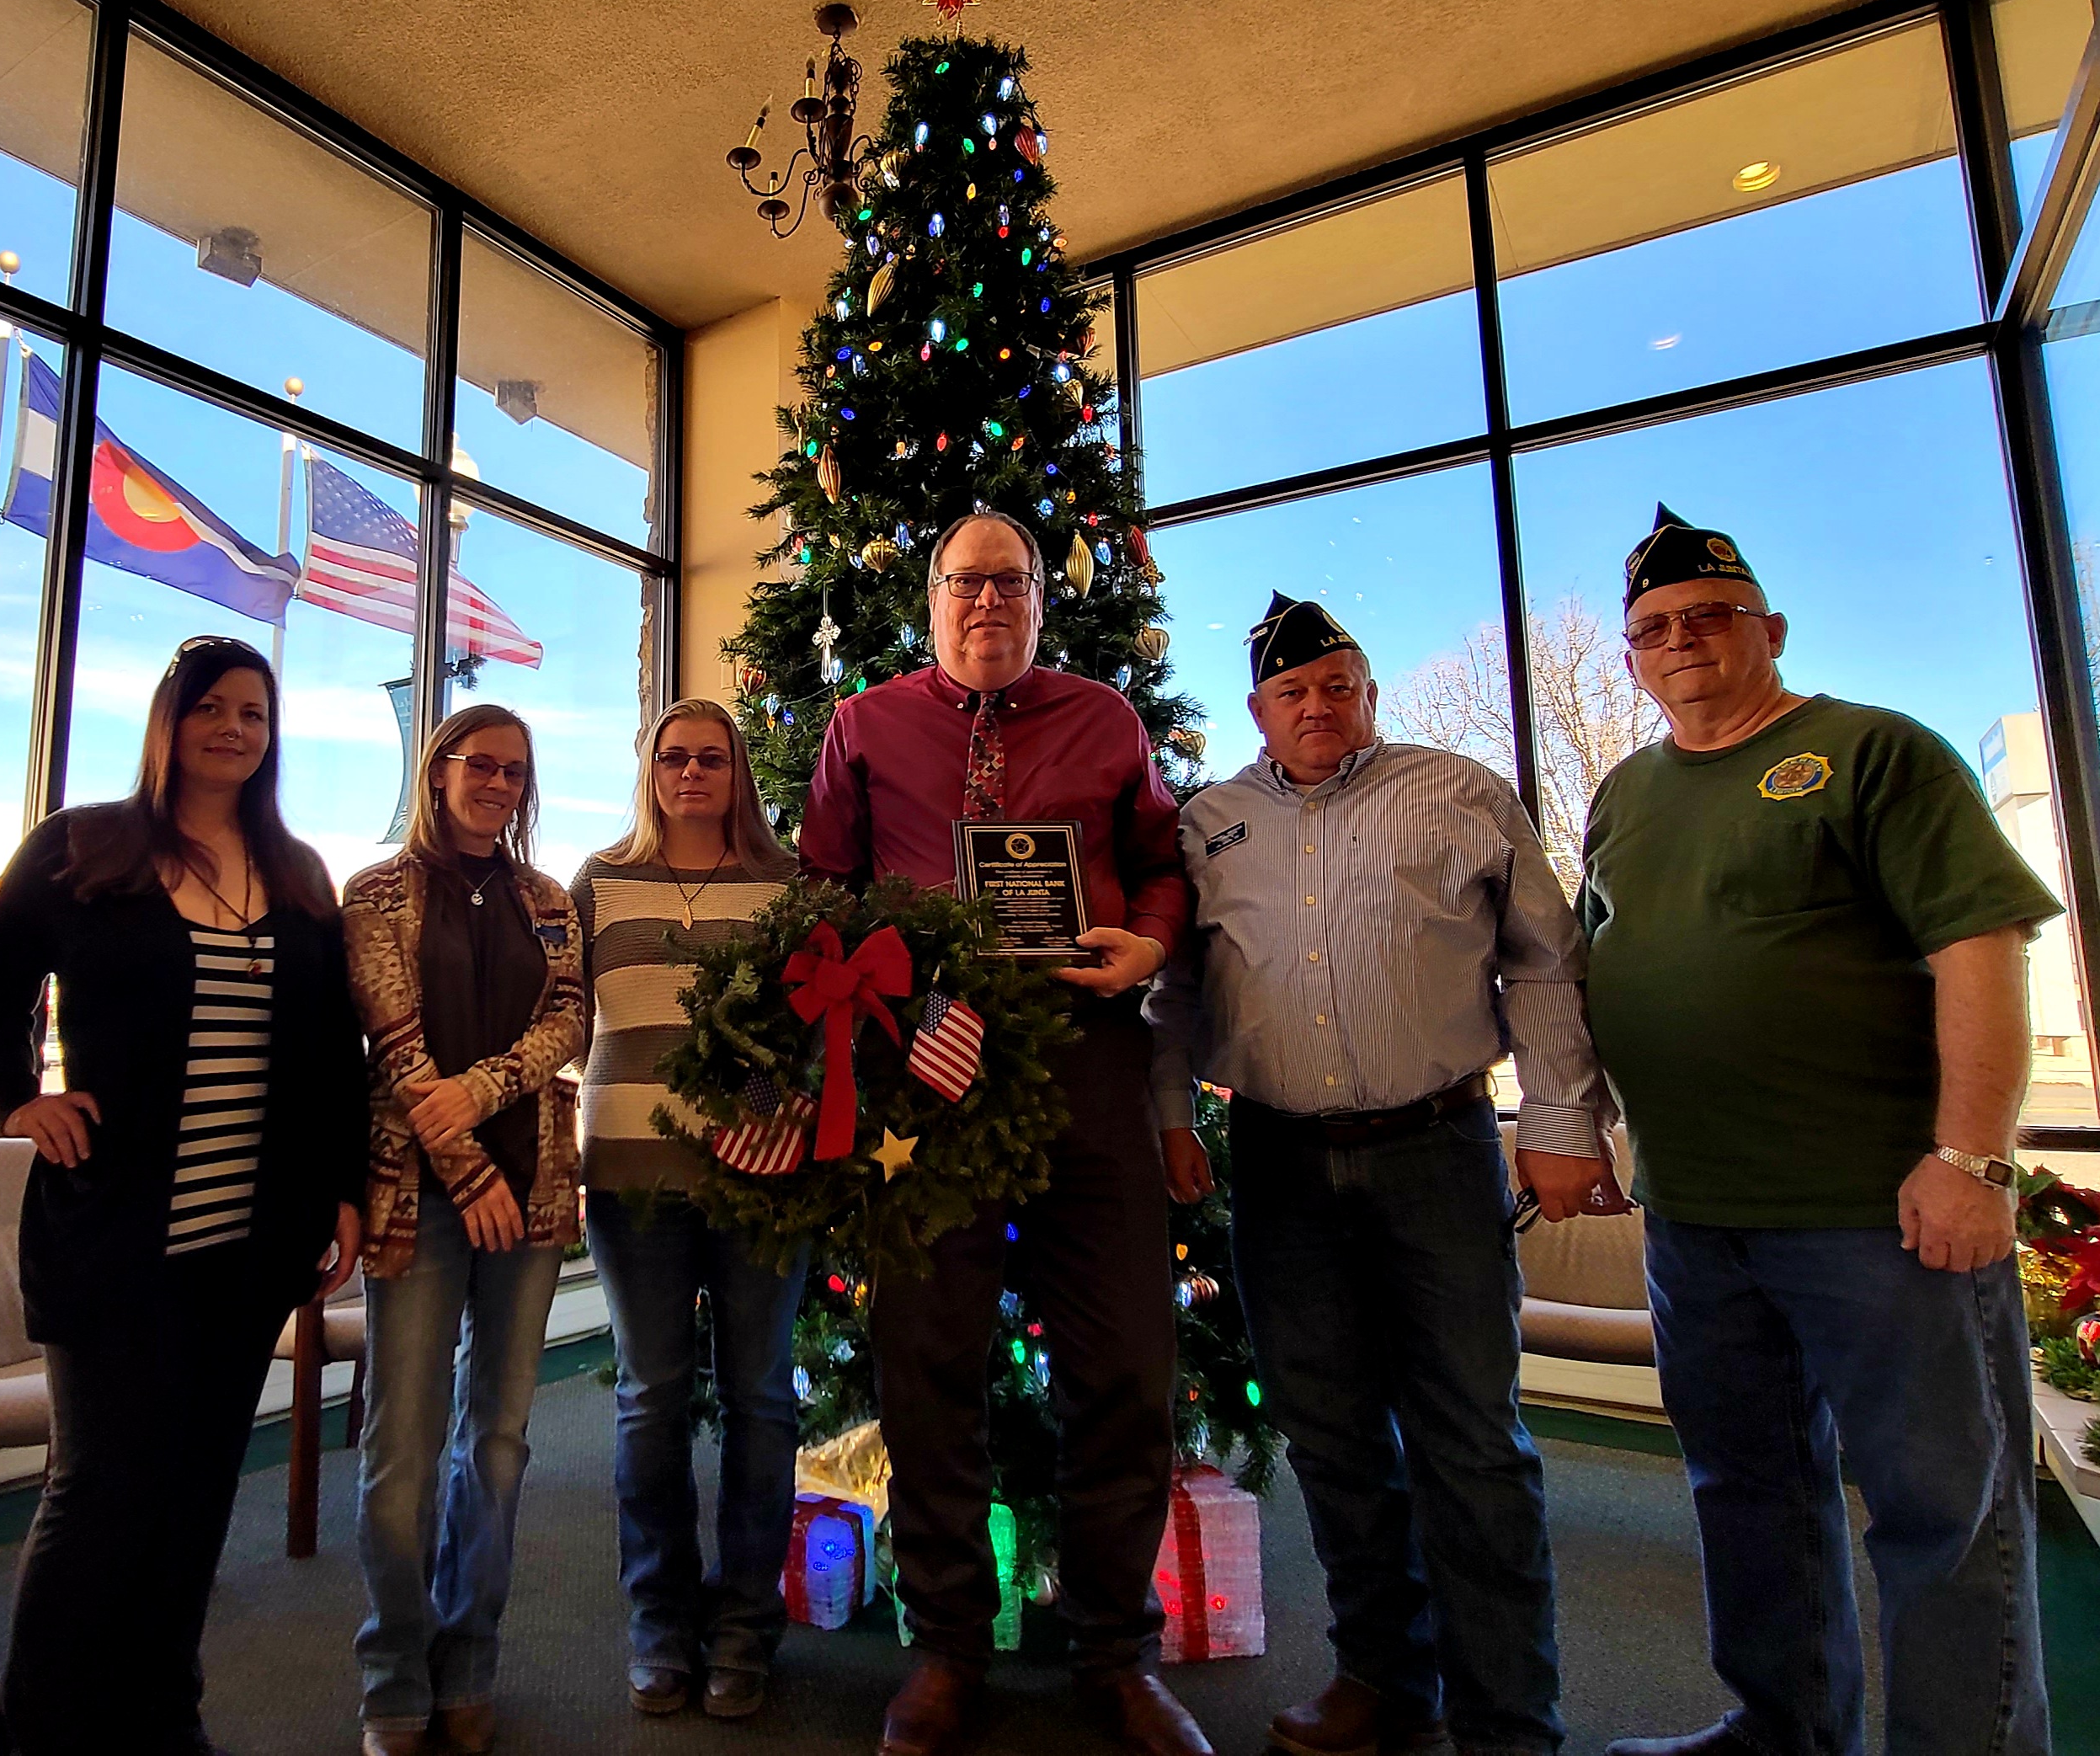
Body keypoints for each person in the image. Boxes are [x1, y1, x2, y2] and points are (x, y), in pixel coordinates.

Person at [1581, 507, 2057, 1756]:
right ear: (1629, 659)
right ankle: (1781, 1728)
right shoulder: (1624, 793)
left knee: (1941, 1514)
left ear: (1771, 629)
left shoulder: (1874, 751)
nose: (1680, 640)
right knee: (1748, 1494)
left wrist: (1970, 1159)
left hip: (1878, 1214)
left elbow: (1980, 944)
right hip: (1694, 1218)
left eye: (1708, 615)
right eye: (1653, 628)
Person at [1148, 591, 1625, 1756]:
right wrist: (1169, 1116)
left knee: (1473, 1442)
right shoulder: (1207, 824)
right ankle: (1383, 1678)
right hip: (1277, 1163)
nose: (1315, 705)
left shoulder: (1460, 793)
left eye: (1336, 686)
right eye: (1290, 692)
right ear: (1257, 710)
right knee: (1331, 1436)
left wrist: (1560, 1118)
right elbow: (1173, 988)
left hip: (1437, 1152)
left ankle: (1508, 1720)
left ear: (1368, 692)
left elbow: (1543, 963)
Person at [801, 510, 1207, 1756]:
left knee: (1125, 1363)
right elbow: (823, 891)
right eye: (965, 582)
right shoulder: (865, 725)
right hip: (932, 1067)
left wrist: (1149, 940)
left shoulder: (1106, 721)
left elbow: (1162, 866)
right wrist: (892, 996)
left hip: (1087, 1059)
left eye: (1010, 582)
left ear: (1041, 597)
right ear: (929, 596)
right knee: (926, 1364)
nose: (988, 601)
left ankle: (1114, 1653)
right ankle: (947, 1651)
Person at [0, 636, 369, 1756]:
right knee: (99, 1493)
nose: (234, 729)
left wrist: (342, 1189)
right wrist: (15, 1098)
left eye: (254, 713)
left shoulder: (296, 872)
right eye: (211, 708)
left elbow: (332, 1055)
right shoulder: (83, 846)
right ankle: (31, 1737)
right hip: (115, 1238)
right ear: (168, 721)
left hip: (251, 1241)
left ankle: (160, 1719)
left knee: (196, 1495)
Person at [346, 703, 588, 1756]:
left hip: (532, 1195)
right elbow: (397, 1049)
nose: (497, 783)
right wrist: (469, 1167)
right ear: (437, 769)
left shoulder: (547, 898)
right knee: (401, 1450)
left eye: (514, 771)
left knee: (496, 1442)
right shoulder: (376, 893)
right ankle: (395, 1673)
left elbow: (569, 1021)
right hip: (418, 1199)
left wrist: (486, 1094)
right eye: (479, 764)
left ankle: (471, 1658)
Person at [572, 698, 805, 1721]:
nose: (693, 772)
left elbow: (806, 1024)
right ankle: (660, 1622)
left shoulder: (785, 881)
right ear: (650, 767)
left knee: (760, 1396)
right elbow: (563, 1016)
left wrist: (767, 1104)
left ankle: (746, 1624)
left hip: (762, 1179)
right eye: (675, 756)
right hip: (630, 1179)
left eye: (713, 757)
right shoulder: (599, 880)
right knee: (650, 1397)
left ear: (738, 770)